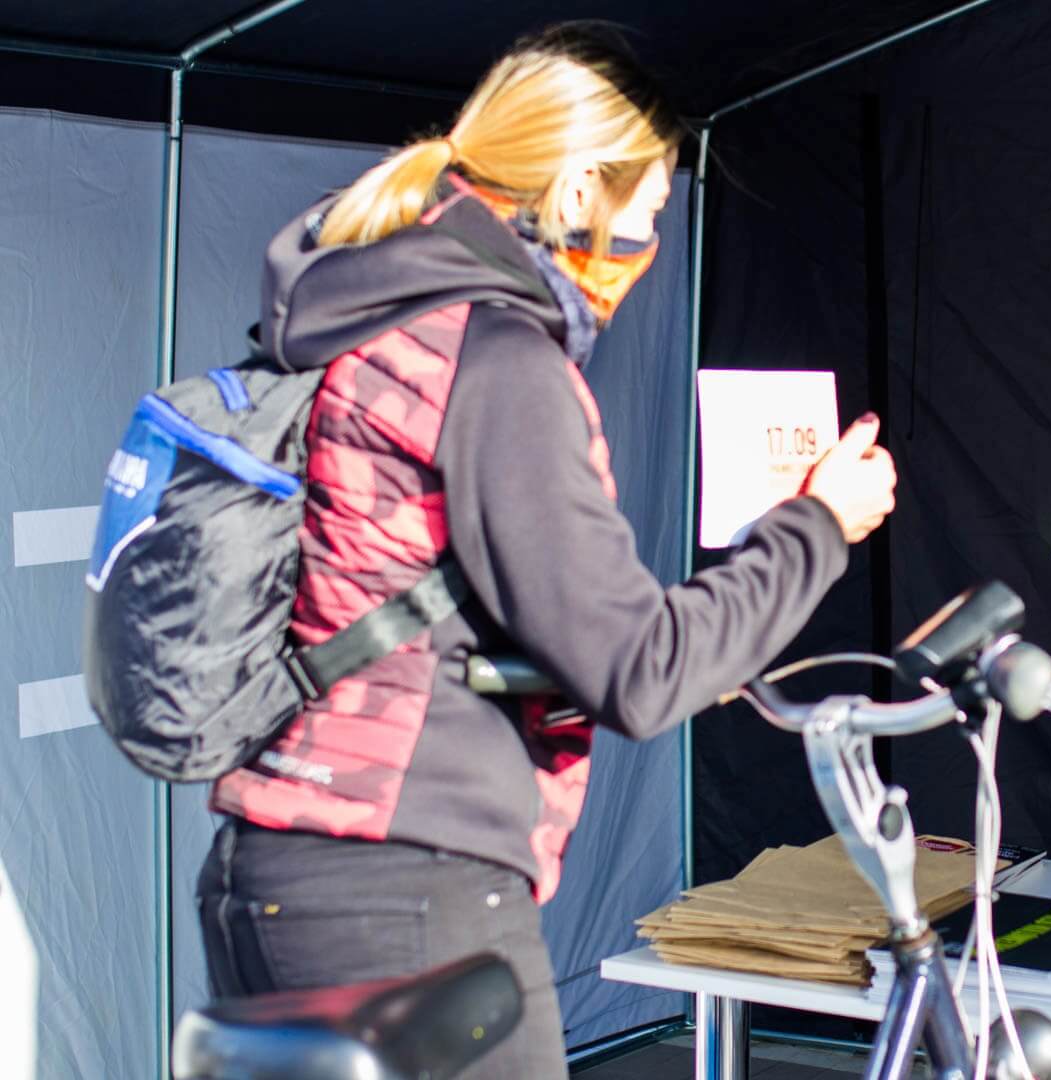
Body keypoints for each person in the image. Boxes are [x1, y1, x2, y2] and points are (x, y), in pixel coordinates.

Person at [194, 23, 895, 1078]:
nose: (645, 249)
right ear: (576, 195)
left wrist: (682, 652)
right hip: (407, 890)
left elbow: (421, 608)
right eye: (646, 214)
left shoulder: (372, 318)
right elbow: (638, 673)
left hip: (276, 867)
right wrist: (819, 523)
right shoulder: (499, 358)